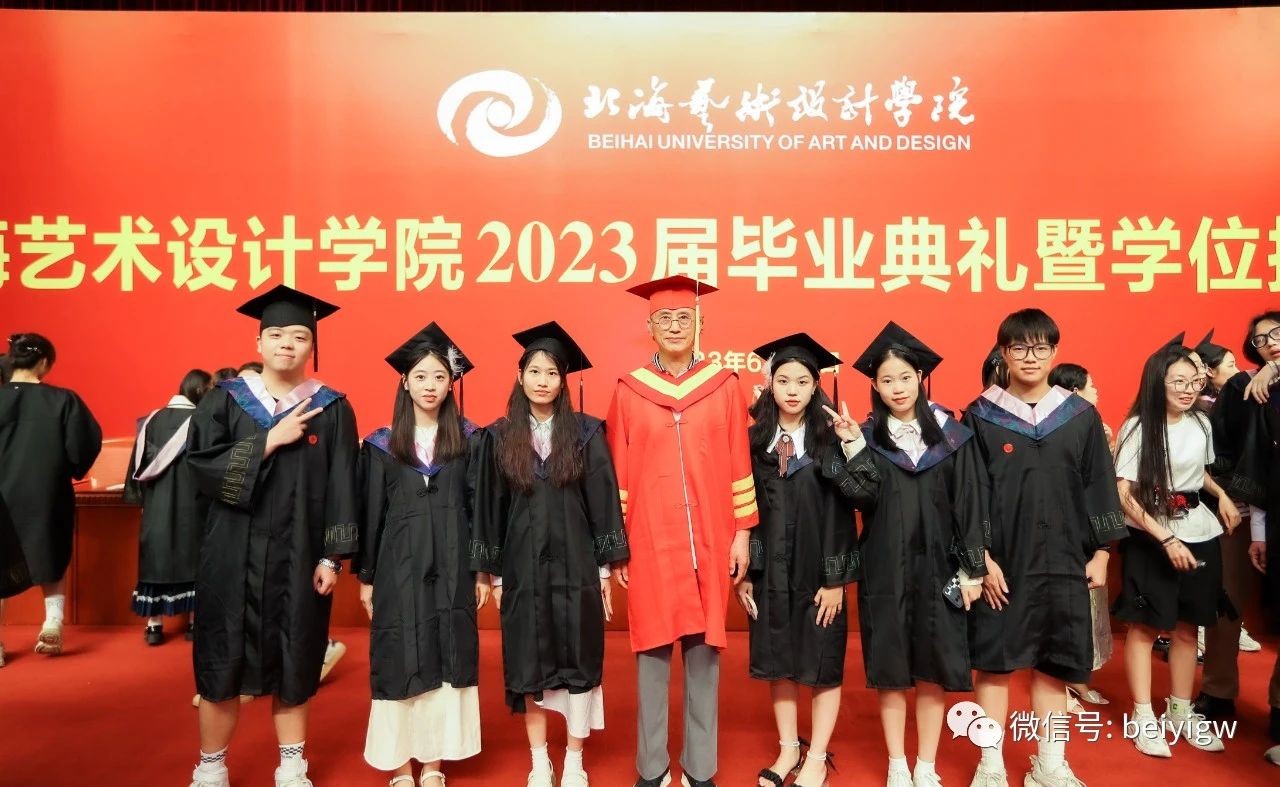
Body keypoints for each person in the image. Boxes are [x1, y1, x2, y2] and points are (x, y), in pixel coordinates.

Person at [185, 285, 359, 787]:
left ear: (312, 346)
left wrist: (332, 557)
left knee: (295, 658)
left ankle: (292, 765)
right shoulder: (224, 400)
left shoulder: (331, 408)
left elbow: (344, 485)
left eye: (300, 336)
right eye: (277, 334)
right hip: (230, 553)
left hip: (299, 556)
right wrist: (268, 441)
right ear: (258, 342)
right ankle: (211, 766)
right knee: (221, 660)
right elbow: (200, 468)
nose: (288, 344)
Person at [605, 275, 758, 787]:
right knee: (650, 655)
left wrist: (743, 533)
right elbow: (617, 473)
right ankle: (652, 768)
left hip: (710, 540)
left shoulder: (724, 386)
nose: (674, 326)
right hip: (650, 541)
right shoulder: (629, 390)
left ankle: (700, 767)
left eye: (684, 318)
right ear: (649, 326)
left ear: (699, 324)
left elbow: (740, 463)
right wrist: (618, 547)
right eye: (664, 319)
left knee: (703, 656)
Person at [963, 309, 1127, 787]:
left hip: (1065, 560)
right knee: (994, 665)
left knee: (1056, 663)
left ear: (1055, 352)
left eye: (1040, 347)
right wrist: (981, 558)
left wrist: (1101, 553)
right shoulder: (981, 416)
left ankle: (1049, 762)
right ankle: (990, 762)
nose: (1030, 357)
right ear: (1004, 353)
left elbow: (1099, 485)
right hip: (1004, 563)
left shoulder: (1079, 415)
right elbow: (970, 492)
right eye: (1019, 347)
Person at [470, 321, 629, 787]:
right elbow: (490, 509)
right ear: (519, 376)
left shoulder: (586, 433)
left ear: (564, 381)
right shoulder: (499, 437)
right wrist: (494, 577)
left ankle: (574, 759)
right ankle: (539, 759)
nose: (543, 381)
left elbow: (602, 501)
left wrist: (604, 570)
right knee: (529, 663)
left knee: (580, 659)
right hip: (521, 570)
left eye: (552, 373)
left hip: (578, 567)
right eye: (534, 371)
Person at [839, 323, 988, 787]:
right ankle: (897, 763)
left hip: (941, 568)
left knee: (932, 667)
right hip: (885, 567)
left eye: (905, 377)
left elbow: (970, 504)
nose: (898, 388)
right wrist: (853, 447)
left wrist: (973, 569)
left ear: (920, 377)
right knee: (890, 666)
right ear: (875, 384)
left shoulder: (952, 435)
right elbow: (860, 498)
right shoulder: (866, 436)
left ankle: (926, 763)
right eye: (887, 380)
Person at [357, 322, 488, 787]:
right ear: (405, 381)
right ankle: (399, 765)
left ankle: (433, 763)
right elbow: (371, 514)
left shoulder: (470, 441)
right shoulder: (381, 444)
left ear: (451, 384)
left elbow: (480, 509)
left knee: (446, 655)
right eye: (421, 376)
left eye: (439, 377)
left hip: (453, 570)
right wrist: (367, 578)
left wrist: (480, 570)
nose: (430, 385)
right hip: (399, 571)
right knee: (399, 655)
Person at [738, 333, 859, 787]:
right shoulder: (754, 442)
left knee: (823, 663)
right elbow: (745, 513)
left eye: (802, 381)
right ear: (769, 385)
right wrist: (746, 573)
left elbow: (855, 506)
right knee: (780, 659)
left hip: (819, 572)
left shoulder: (832, 440)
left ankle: (818, 756)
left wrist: (835, 580)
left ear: (815, 386)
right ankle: (789, 748)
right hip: (770, 570)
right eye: (783, 380)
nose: (792, 390)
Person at [1111, 343, 1239, 758]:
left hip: (1199, 530)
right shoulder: (1138, 427)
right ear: (1157, 383)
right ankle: (1143, 716)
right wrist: (1165, 539)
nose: (1187, 390)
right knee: (1145, 627)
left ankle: (1180, 712)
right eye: (1177, 382)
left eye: (1193, 382)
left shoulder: (1201, 422)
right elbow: (1123, 494)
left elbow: (1199, 473)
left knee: (1189, 626)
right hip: (1152, 537)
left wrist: (1220, 494)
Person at [1206, 310, 1280, 765]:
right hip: (1240, 510)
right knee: (1227, 602)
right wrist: (1235, 499)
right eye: (1260, 340)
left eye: (1276, 334)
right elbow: (1223, 447)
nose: (1269, 343)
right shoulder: (1239, 387)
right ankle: (1218, 691)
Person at [0, 332, 102, 661]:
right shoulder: (63, 400)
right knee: (51, 554)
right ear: (43, 362)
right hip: (46, 491)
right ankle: (53, 621)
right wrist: (70, 467)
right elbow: (84, 443)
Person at [124, 368, 212, 645]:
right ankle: (194, 624)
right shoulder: (202, 420)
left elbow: (137, 465)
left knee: (155, 561)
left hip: (157, 504)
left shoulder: (151, 420)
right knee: (195, 560)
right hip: (193, 503)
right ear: (199, 391)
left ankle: (154, 626)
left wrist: (140, 500)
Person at [1046, 363, 1114, 711]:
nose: (1096, 391)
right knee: (1064, 619)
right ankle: (1064, 684)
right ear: (1074, 391)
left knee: (1088, 614)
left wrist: (1103, 548)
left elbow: (1101, 485)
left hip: (1087, 534)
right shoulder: (1050, 425)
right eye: (1092, 385)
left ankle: (1076, 679)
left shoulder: (1092, 424)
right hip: (1059, 535)